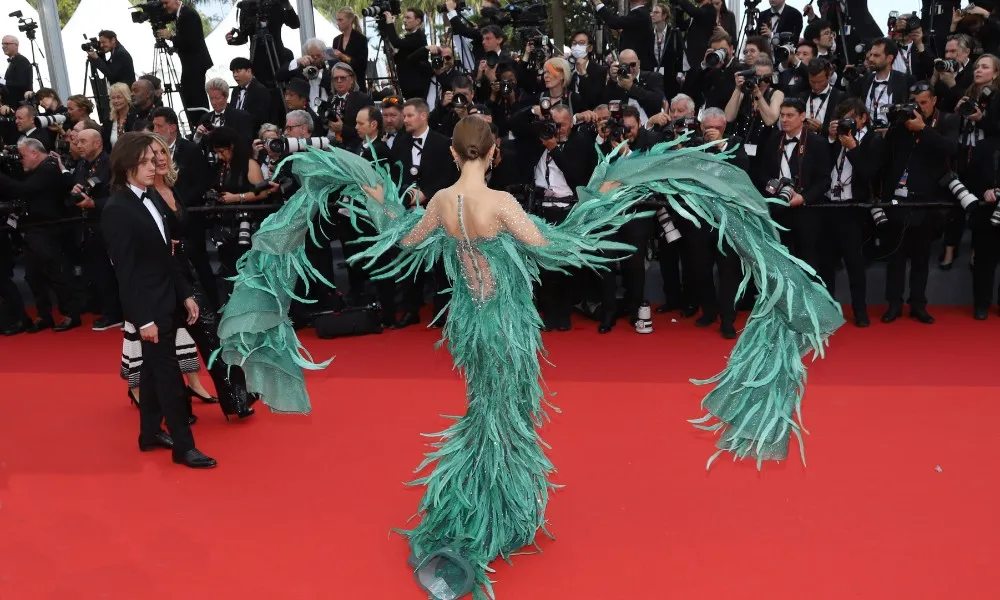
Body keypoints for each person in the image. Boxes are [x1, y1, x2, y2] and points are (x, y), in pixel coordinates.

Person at [215, 116, 844, 598]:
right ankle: (483, 518)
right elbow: (561, 248)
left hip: (468, 325)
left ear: (456, 151)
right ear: (489, 154)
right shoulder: (502, 205)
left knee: (490, 412)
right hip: (507, 326)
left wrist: (377, 194)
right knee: (504, 415)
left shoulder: (439, 203)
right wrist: (605, 197)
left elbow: (400, 242)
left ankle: (485, 505)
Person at [121, 134, 257, 420]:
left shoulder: (171, 187)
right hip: (159, 279)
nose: (158, 158)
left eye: (161, 151)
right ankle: (169, 409)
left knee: (211, 334)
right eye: (151, 153)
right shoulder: (141, 195)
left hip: (184, 273)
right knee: (161, 351)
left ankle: (235, 398)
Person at [102, 131, 216, 469]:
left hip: (170, 297)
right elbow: (125, 272)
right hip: (149, 307)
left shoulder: (151, 196)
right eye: (146, 162)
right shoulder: (117, 209)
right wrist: (144, 320)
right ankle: (184, 446)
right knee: (168, 378)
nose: (154, 166)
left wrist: (186, 296)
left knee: (152, 371)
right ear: (126, 165)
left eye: (154, 160)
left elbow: (168, 257)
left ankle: (149, 433)